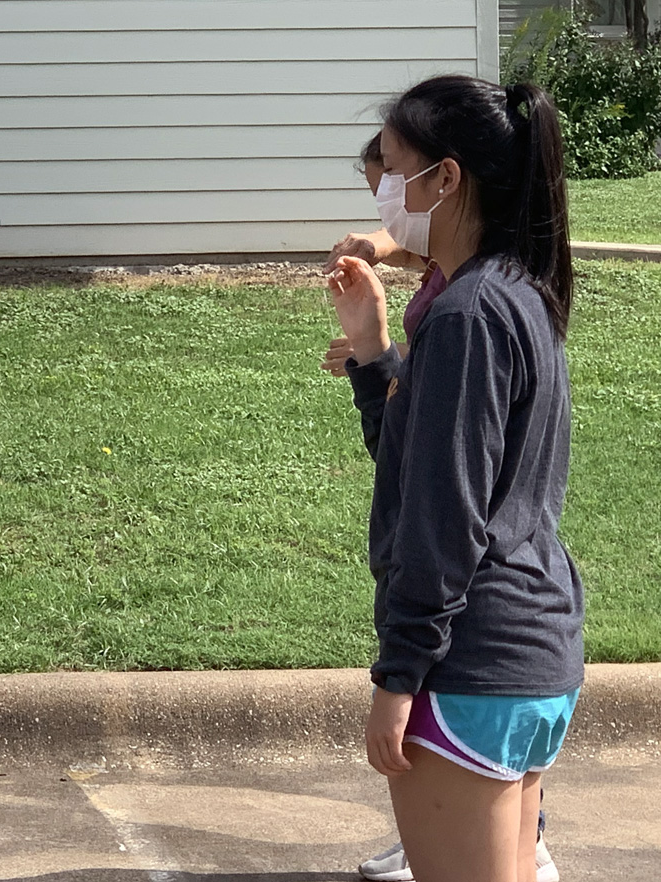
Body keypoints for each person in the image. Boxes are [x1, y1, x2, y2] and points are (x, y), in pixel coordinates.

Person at [325, 74, 583, 882]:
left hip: (474, 663)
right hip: (534, 659)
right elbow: (419, 457)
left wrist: (399, 677)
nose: (386, 191)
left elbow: (444, 517)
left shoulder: (470, 314)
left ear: (447, 178)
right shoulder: (518, 295)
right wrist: (372, 350)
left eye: (396, 168)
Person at [320, 132, 446, 377]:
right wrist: (375, 244)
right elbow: (411, 251)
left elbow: (456, 367)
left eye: (390, 194)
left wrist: (379, 351)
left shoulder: (475, 289)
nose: (385, 208)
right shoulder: (443, 255)